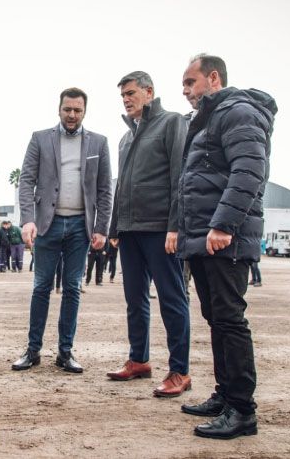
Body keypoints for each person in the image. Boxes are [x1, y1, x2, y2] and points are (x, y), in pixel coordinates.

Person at [177, 54, 276, 440]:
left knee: (231, 321)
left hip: (224, 238)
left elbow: (249, 170)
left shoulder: (238, 112)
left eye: (190, 82)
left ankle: (242, 411)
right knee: (217, 319)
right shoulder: (207, 121)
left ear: (213, 78)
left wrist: (222, 225)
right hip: (204, 238)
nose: (185, 91)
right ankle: (225, 395)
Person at [12, 87, 112, 373]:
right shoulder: (40, 139)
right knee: (41, 286)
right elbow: (26, 180)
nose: (72, 114)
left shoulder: (99, 143)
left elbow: (105, 189)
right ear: (59, 108)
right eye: (67, 109)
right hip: (47, 224)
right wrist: (27, 219)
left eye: (77, 110)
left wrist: (101, 227)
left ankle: (65, 353)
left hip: (81, 227)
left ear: (84, 112)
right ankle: (33, 350)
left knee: (72, 289)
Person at [105, 71, 192, 400]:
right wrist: (115, 227)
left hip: (159, 229)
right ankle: (139, 359)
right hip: (129, 232)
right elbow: (120, 184)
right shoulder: (125, 139)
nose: (126, 99)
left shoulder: (171, 123)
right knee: (135, 300)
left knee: (172, 299)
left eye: (130, 93)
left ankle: (179, 370)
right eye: (122, 96)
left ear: (149, 92)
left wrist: (175, 225)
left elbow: (179, 177)